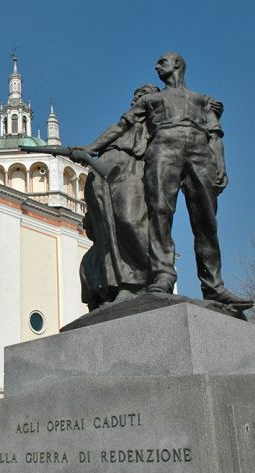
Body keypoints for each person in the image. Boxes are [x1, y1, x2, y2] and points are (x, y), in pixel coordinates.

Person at [72, 52, 251, 308]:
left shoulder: (203, 100)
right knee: (159, 216)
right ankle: (163, 277)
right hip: (163, 150)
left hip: (199, 153)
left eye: (162, 62)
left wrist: (220, 164)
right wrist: (91, 148)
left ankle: (214, 286)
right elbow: (121, 126)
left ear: (177, 64)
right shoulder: (151, 100)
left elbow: (214, 135)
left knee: (206, 221)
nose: (157, 66)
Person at [79, 84, 158, 309]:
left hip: (131, 172)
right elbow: (112, 132)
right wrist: (89, 149)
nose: (137, 100)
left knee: (130, 221)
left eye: (144, 95)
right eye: (136, 96)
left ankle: (149, 280)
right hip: (103, 177)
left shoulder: (158, 122)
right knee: (108, 233)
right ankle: (119, 286)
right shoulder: (126, 124)